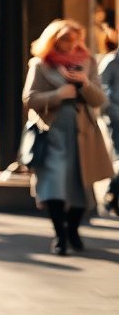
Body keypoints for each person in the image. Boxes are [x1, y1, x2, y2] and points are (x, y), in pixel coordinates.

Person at [23, 19, 110, 255]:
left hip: (82, 136)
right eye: (65, 38)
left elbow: (100, 100)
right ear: (54, 40)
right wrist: (58, 94)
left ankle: (73, 229)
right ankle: (59, 236)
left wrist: (83, 83)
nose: (71, 44)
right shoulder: (40, 65)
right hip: (51, 135)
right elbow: (30, 99)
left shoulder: (88, 62)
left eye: (75, 38)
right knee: (53, 187)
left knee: (80, 187)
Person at [98, 37, 119, 216]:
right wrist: (114, 112)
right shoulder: (111, 61)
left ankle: (112, 194)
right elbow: (101, 91)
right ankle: (111, 194)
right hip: (116, 118)